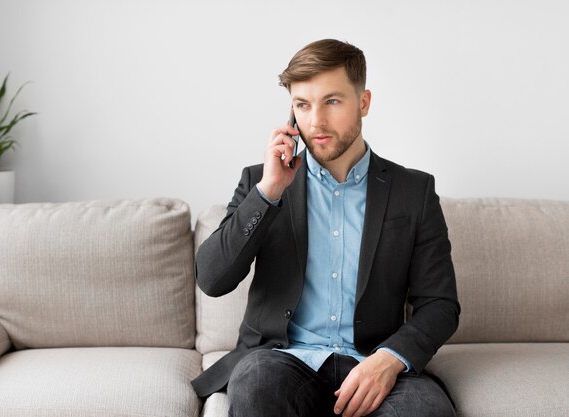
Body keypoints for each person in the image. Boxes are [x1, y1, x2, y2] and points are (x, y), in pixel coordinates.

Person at [191, 38, 460, 417]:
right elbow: (212, 280)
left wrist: (390, 359)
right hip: (282, 362)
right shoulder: (261, 182)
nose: (315, 121)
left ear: (363, 102)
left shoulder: (413, 192)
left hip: (373, 363)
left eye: (332, 101)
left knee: (425, 411)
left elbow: (440, 305)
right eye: (302, 105)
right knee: (256, 384)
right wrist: (268, 192)